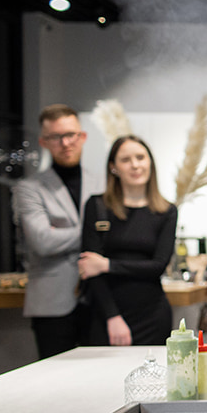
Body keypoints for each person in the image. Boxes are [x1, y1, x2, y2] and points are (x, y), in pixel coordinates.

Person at [11, 104, 105, 359]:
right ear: (43, 142)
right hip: (51, 302)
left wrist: (61, 232)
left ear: (82, 136)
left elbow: (116, 235)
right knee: (55, 377)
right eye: (55, 137)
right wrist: (93, 232)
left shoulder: (103, 183)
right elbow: (42, 241)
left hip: (99, 299)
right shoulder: (29, 188)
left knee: (99, 375)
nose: (65, 143)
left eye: (70, 135)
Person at [78, 135, 177, 346]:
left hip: (153, 315)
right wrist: (112, 316)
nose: (135, 165)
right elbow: (90, 269)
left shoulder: (166, 211)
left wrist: (107, 265)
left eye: (140, 157)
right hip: (106, 314)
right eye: (125, 159)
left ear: (150, 162)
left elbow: (158, 266)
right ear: (113, 167)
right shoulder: (97, 206)